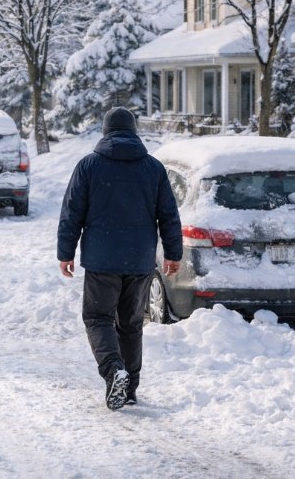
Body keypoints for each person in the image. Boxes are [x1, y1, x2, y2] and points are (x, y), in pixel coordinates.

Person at [57, 106, 183, 410]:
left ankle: (114, 370)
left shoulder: (89, 166)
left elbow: (72, 213)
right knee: (130, 324)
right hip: (139, 260)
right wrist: (173, 253)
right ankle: (130, 389)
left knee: (98, 318)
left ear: (105, 131)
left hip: (102, 260)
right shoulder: (153, 168)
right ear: (134, 131)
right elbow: (168, 215)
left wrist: (65, 252)